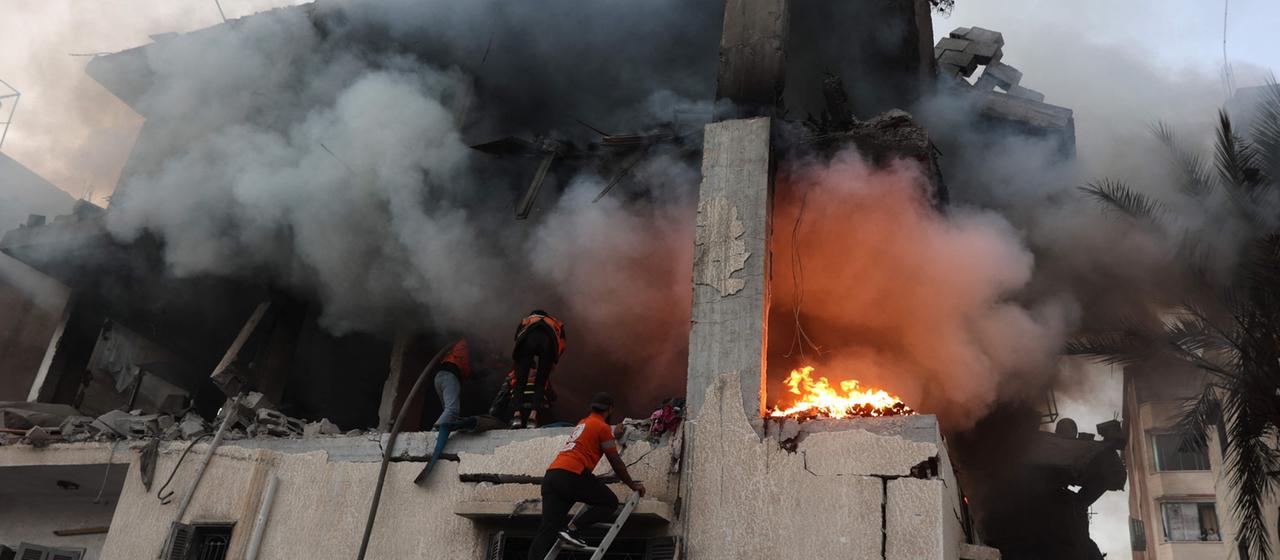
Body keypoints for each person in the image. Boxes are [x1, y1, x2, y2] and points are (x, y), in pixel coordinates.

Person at [527, 392, 645, 559]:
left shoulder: (584, 423)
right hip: (572, 474)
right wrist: (632, 485)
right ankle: (573, 529)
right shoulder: (602, 427)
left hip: (552, 475)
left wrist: (613, 435)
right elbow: (615, 461)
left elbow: (594, 439)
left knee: (547, 530)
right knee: (609, 502)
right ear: (610, 409)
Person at [511, 310, 566, 428]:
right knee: (541, 382)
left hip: (528, 341)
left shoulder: (527, 320)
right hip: (548, 343)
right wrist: (552, 362)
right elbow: (562, 344)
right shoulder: (555, 323)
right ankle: (533, 418)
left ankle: (516, 417)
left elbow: (517, 341)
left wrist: (520, 366)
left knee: (520, 381)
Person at [432, 338, 471, 429]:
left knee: (448, 412)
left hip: (439, 377)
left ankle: (443, 431)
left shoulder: (454, 348)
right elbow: (470, 372)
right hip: (450, 376)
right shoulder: (464, 345)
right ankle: (434, 432)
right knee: (452, 410)